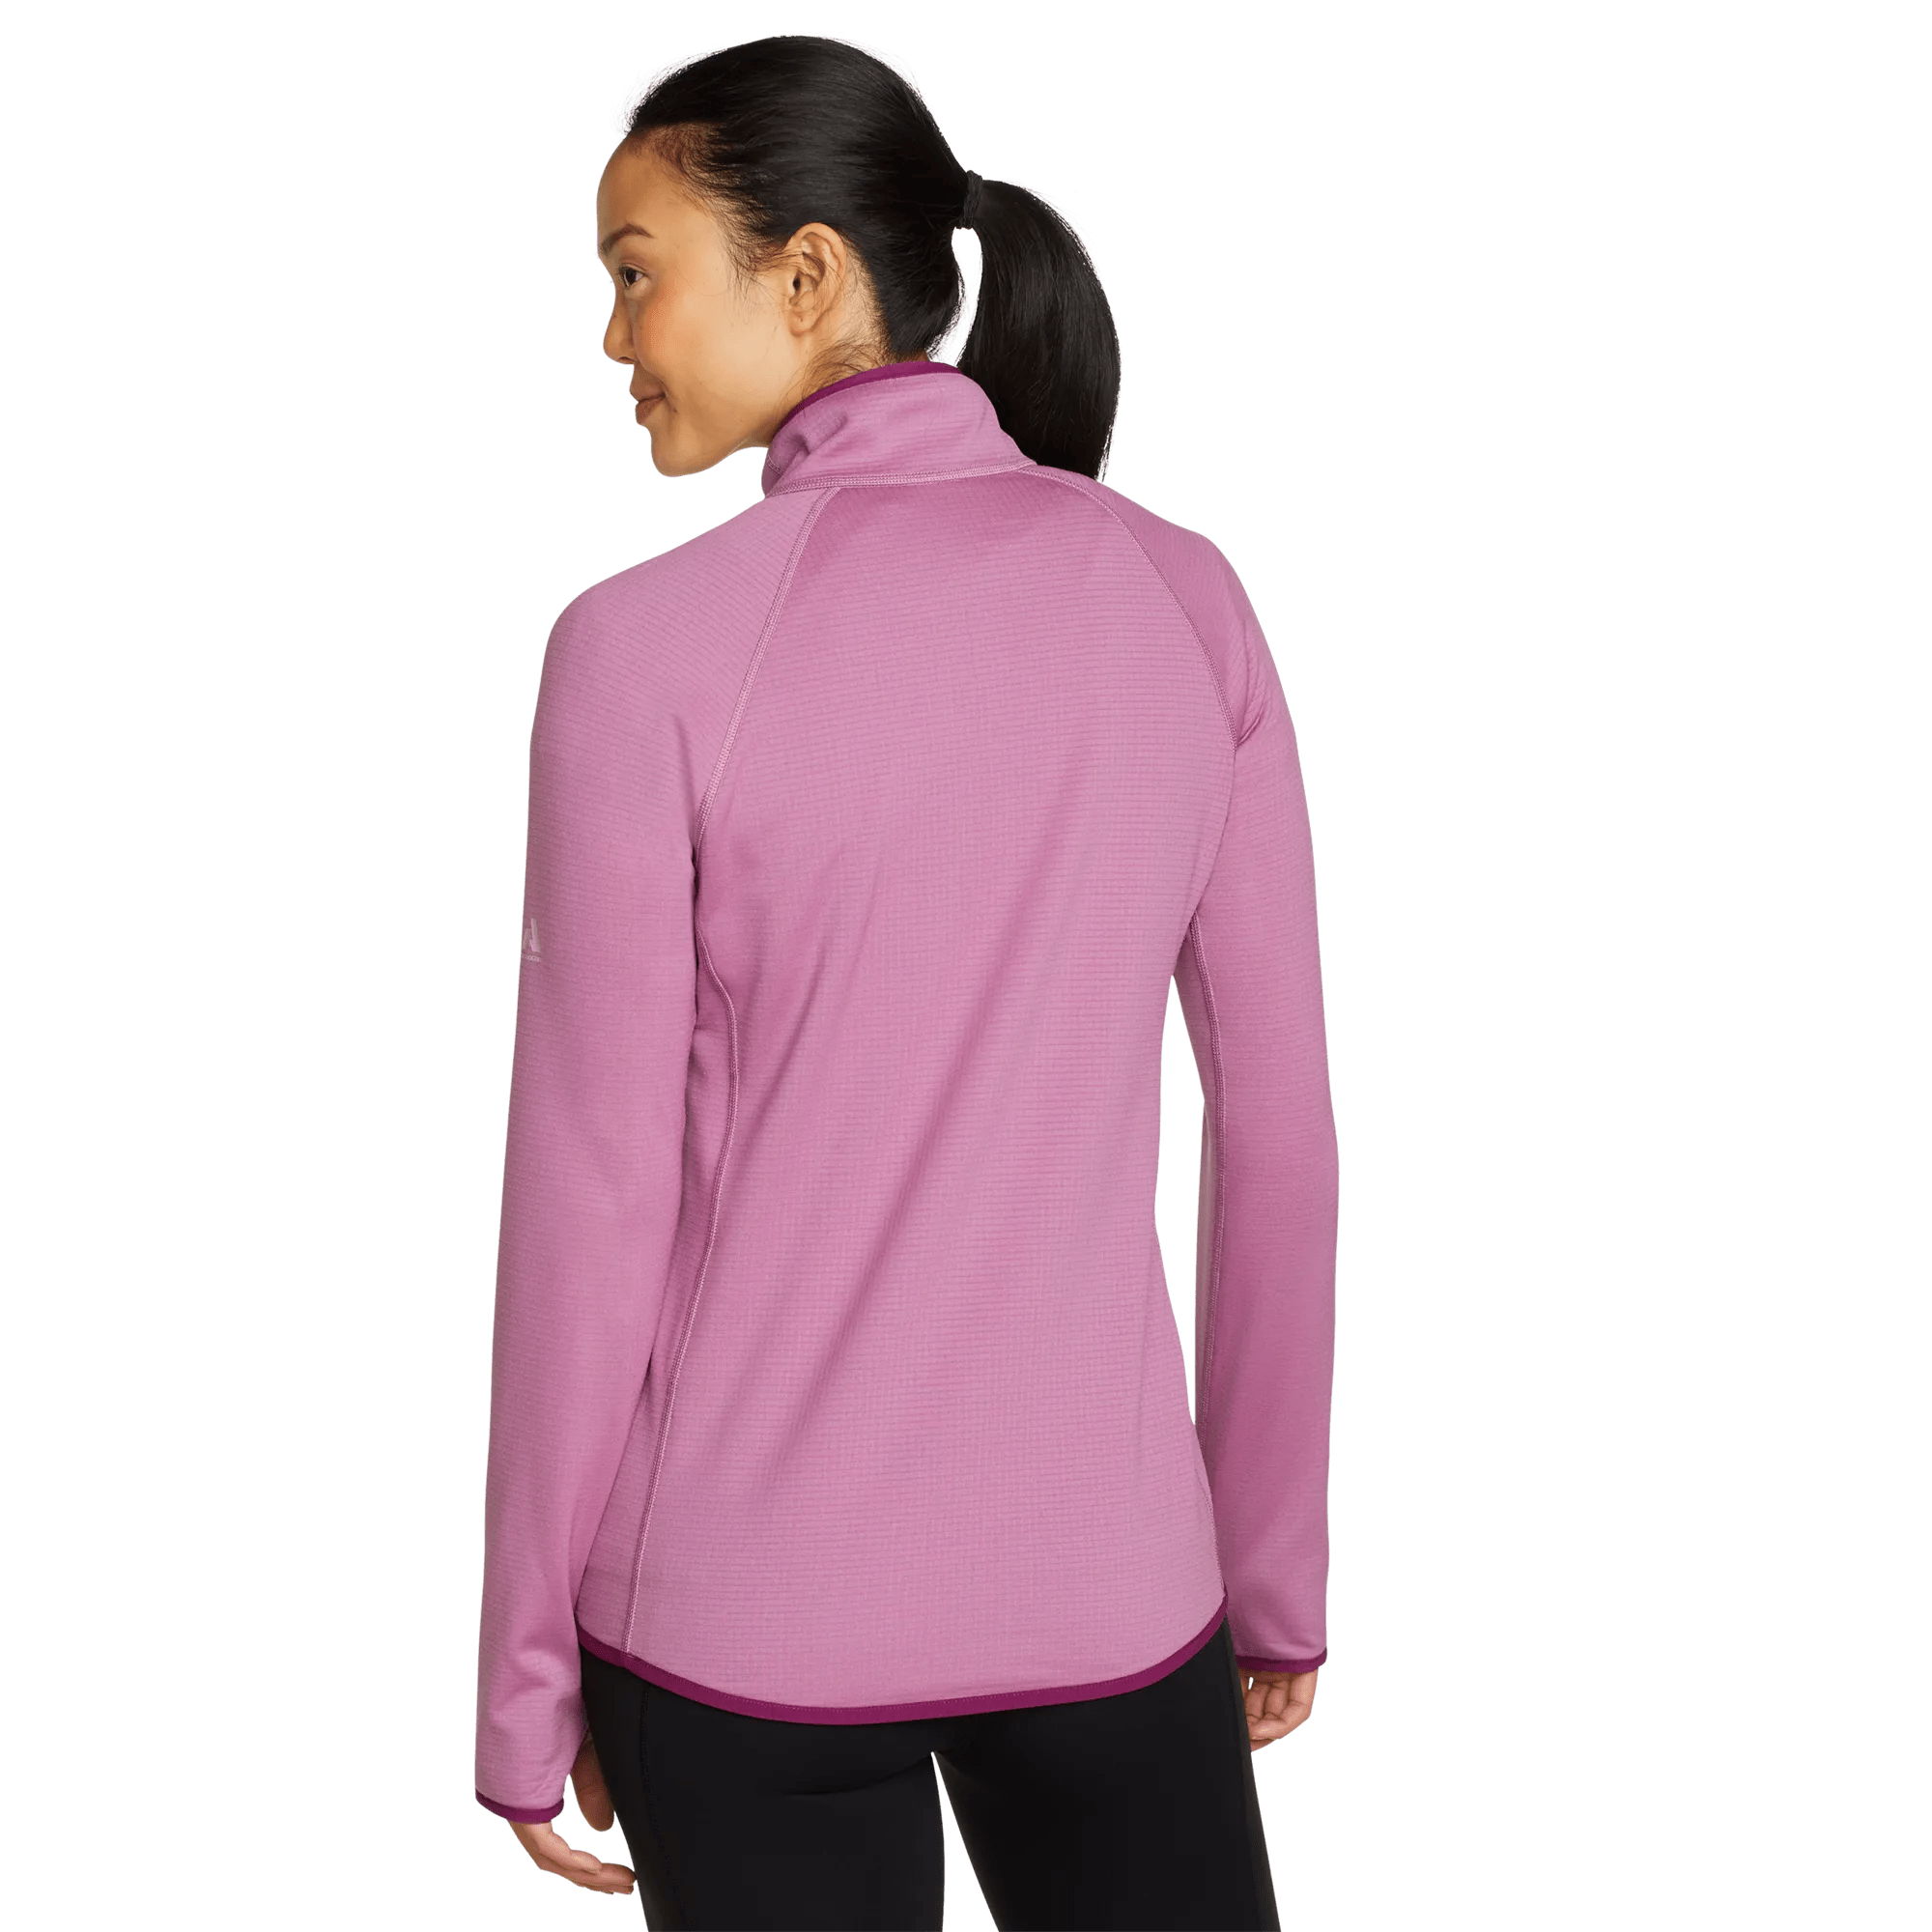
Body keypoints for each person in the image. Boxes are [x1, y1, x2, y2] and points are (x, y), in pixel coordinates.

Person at [472, 31, 1340, 1930]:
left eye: (632, 274)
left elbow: (591, 1200)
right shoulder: (1189, 594)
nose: (611, 338)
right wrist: (1269, 1575)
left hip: (734, 1625)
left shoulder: (638, 650)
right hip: (1117, 1601)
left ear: (802, 277)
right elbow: (1276, 1133)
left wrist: (525, 1673)